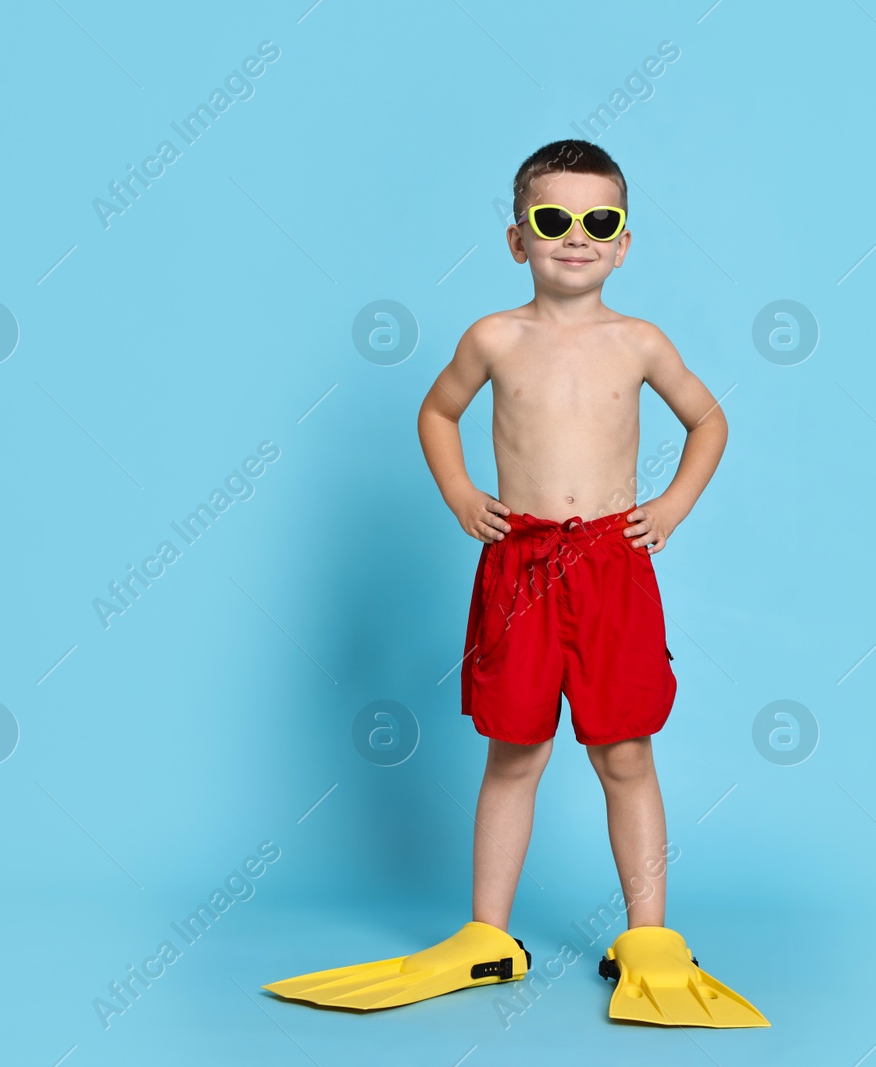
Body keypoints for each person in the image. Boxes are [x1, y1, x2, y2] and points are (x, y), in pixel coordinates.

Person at [264, 140, 766, 1028]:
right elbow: (437, 409)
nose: (576, 236)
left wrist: (675, 504)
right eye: (554, 220)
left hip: (614, 563)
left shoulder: (640, 341)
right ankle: (487, 932)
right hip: (521, 565)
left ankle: (647, 935)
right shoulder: (494, 336)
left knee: (625, 750)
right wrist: (460, 492)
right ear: (516, 238)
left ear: (624, 243)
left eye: (598, 222)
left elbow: (708, 418)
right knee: (515, 750)